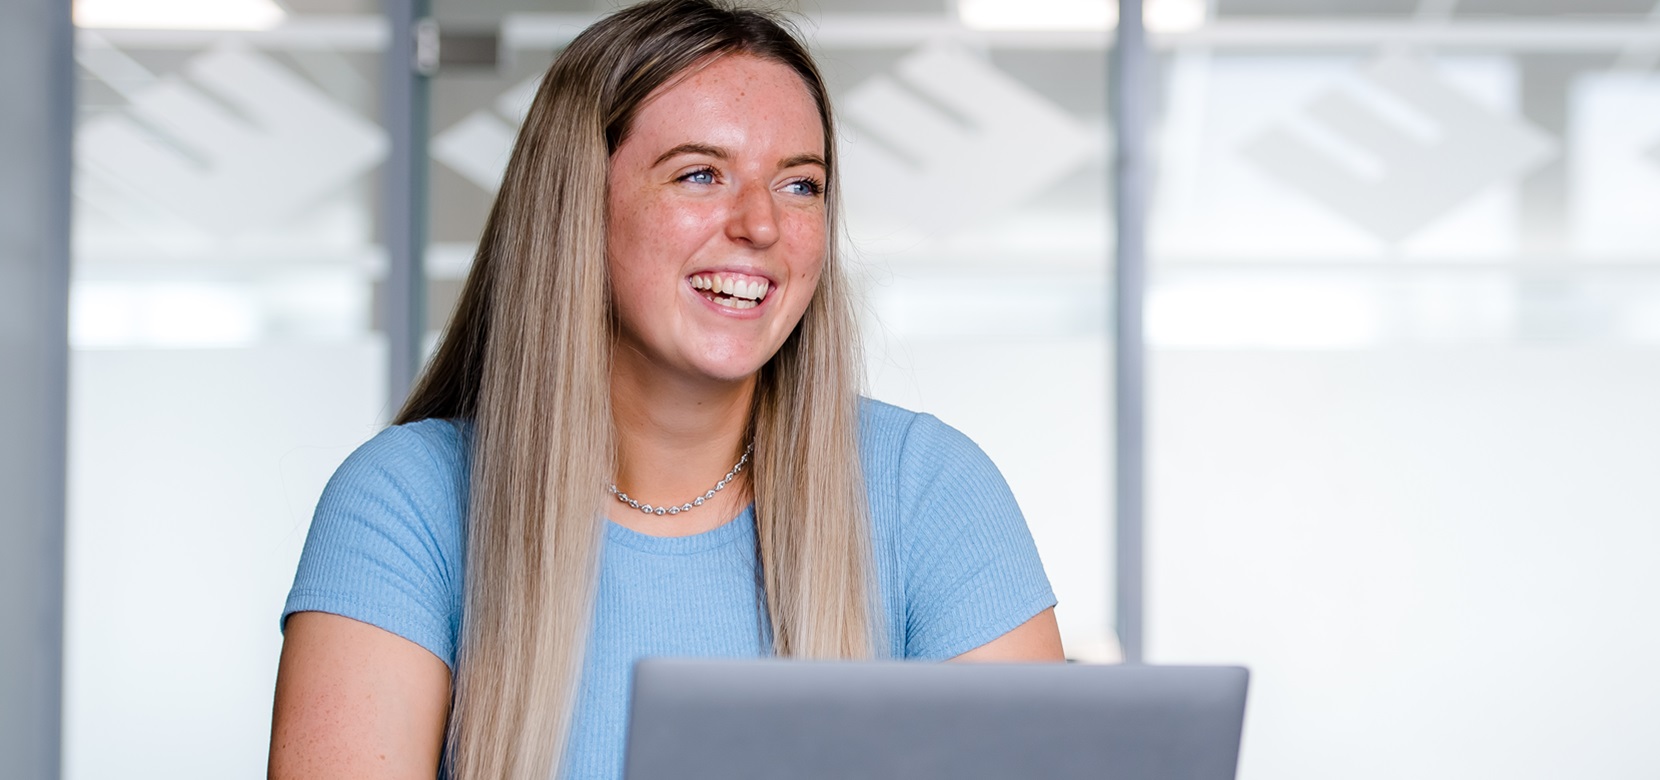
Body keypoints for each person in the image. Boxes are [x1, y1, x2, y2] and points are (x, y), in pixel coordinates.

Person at [266, 1, 1063, 777]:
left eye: (800, 185)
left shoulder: (927, 491)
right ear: (580, 209)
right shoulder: (407, 503)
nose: (759, 225)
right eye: (700, 174)